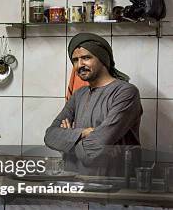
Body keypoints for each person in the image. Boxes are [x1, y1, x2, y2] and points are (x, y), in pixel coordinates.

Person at [44, 33, 142, 175]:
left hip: (114, 185)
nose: (80, 65)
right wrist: (83, 133)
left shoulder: (126, 92)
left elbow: (93, 151)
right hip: (74, 182)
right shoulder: (79, 94)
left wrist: (68, 139)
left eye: (86, 58)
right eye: (75, 60)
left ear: (102, 58)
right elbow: (50, 136)